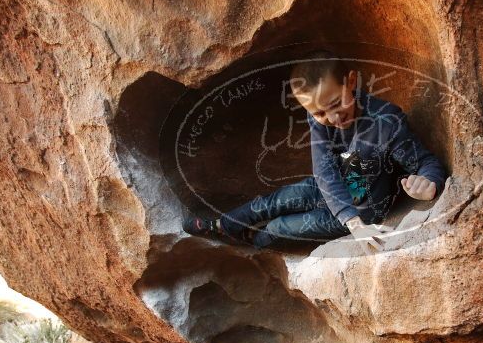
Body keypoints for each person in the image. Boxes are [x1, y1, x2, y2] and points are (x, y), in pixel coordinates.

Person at [182, 50, 448, 254]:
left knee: (280, 226)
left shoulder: (386, 122)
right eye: (319, 113)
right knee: (274, 201)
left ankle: (256, 243)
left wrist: (429, 184)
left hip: (362, 208)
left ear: (351, 82)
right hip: (335, 187)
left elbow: (425, 162)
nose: (332, 117)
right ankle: (224, 226)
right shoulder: (320, 116)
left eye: (336, 104)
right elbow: (323, 169)